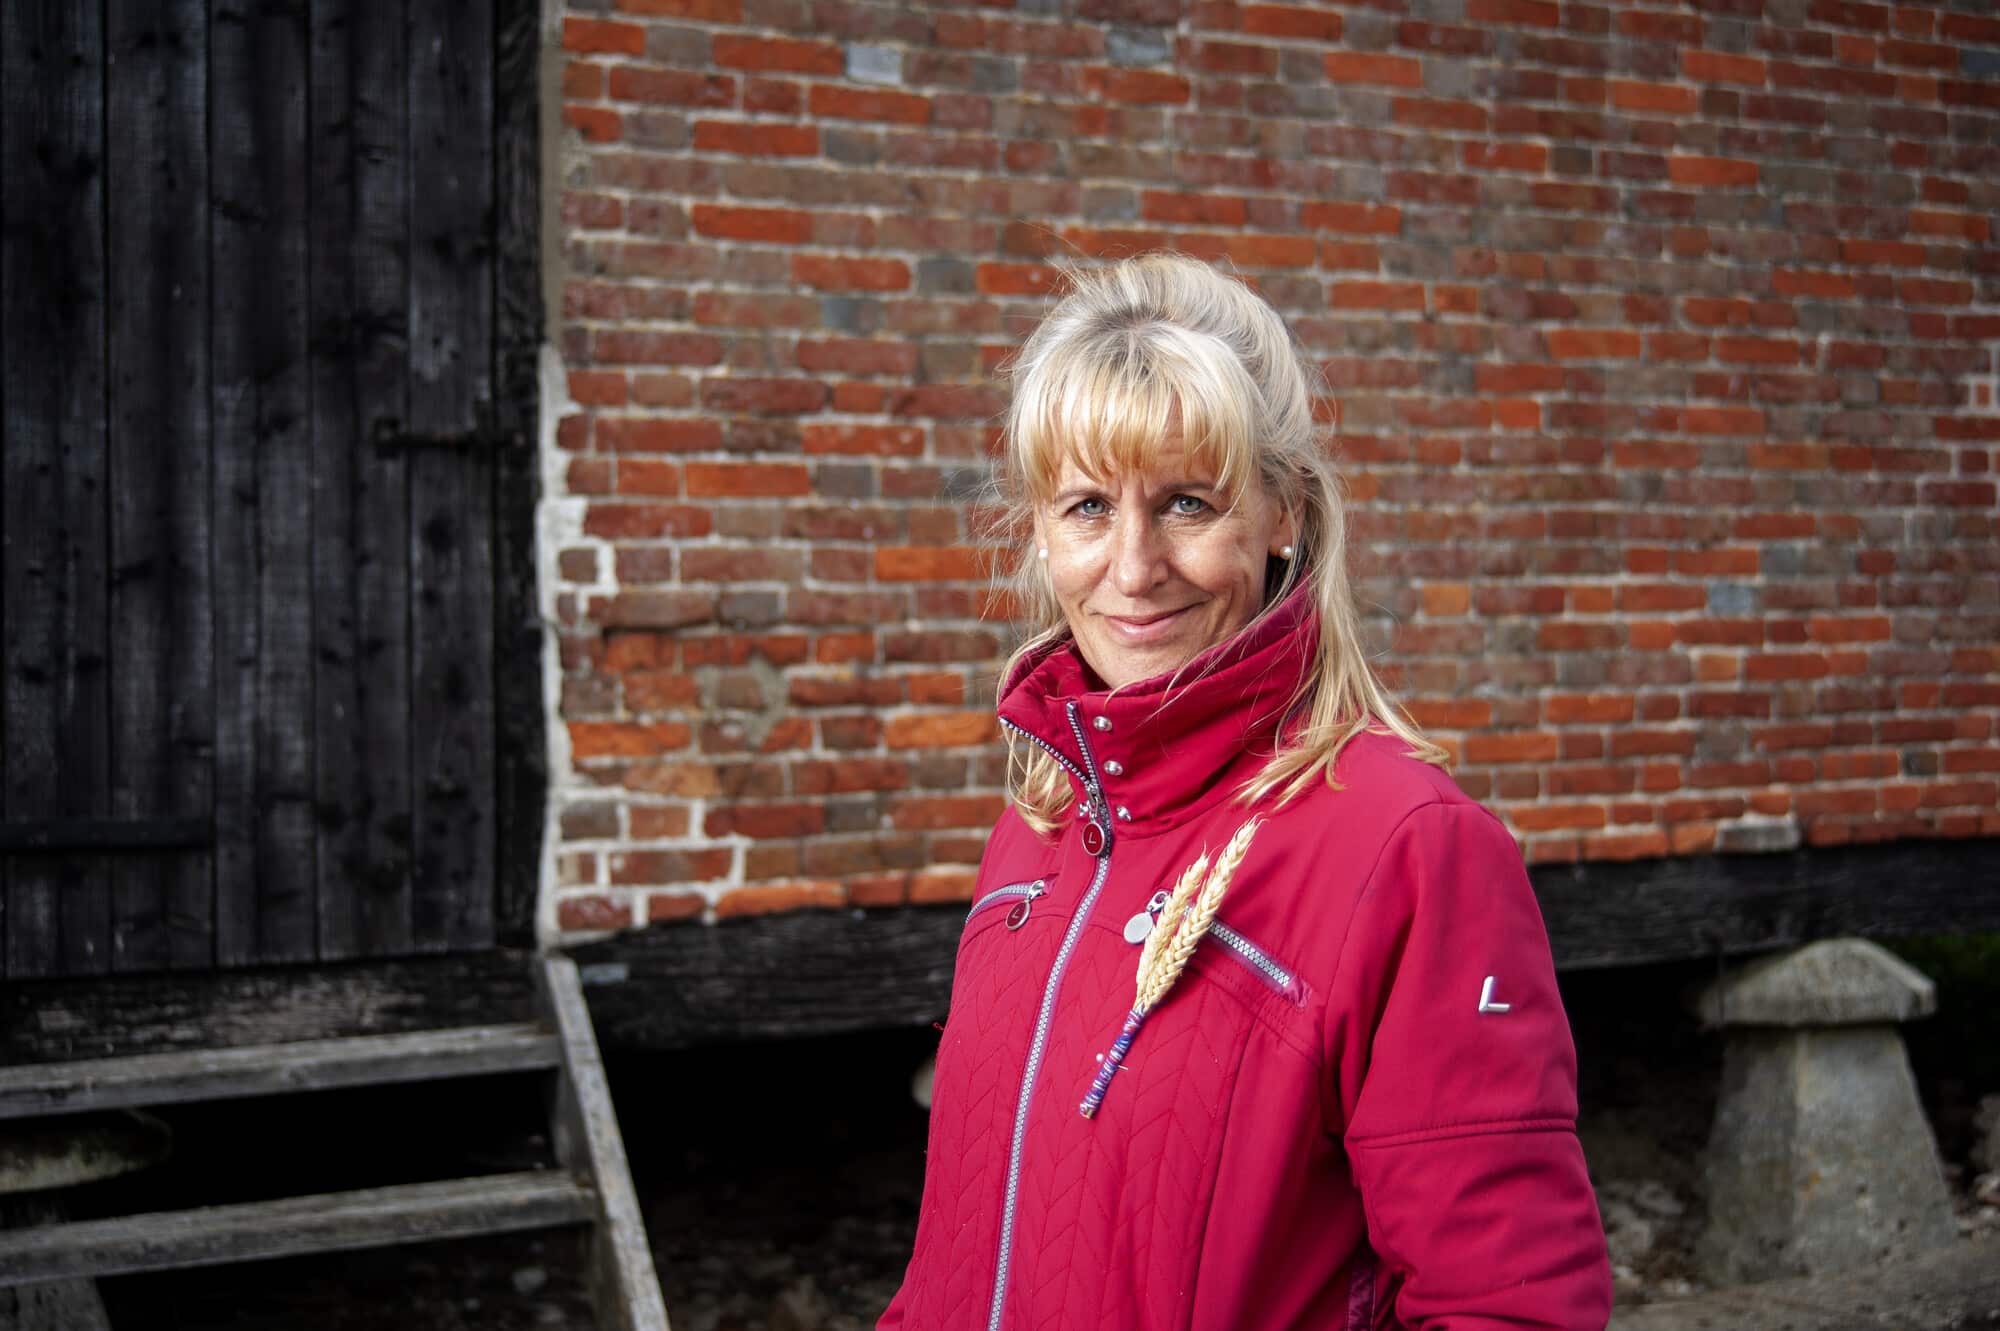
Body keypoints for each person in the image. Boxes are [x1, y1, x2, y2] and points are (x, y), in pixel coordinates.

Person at [879, 255, 1612, 1331]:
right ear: (1039, 530)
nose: (1132, 567)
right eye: (1087, 505)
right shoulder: (1039, 832)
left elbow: (1506, 1307)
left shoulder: (1404, 846)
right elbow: (955, 1261)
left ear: (1280, 512)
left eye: (1186, 502)